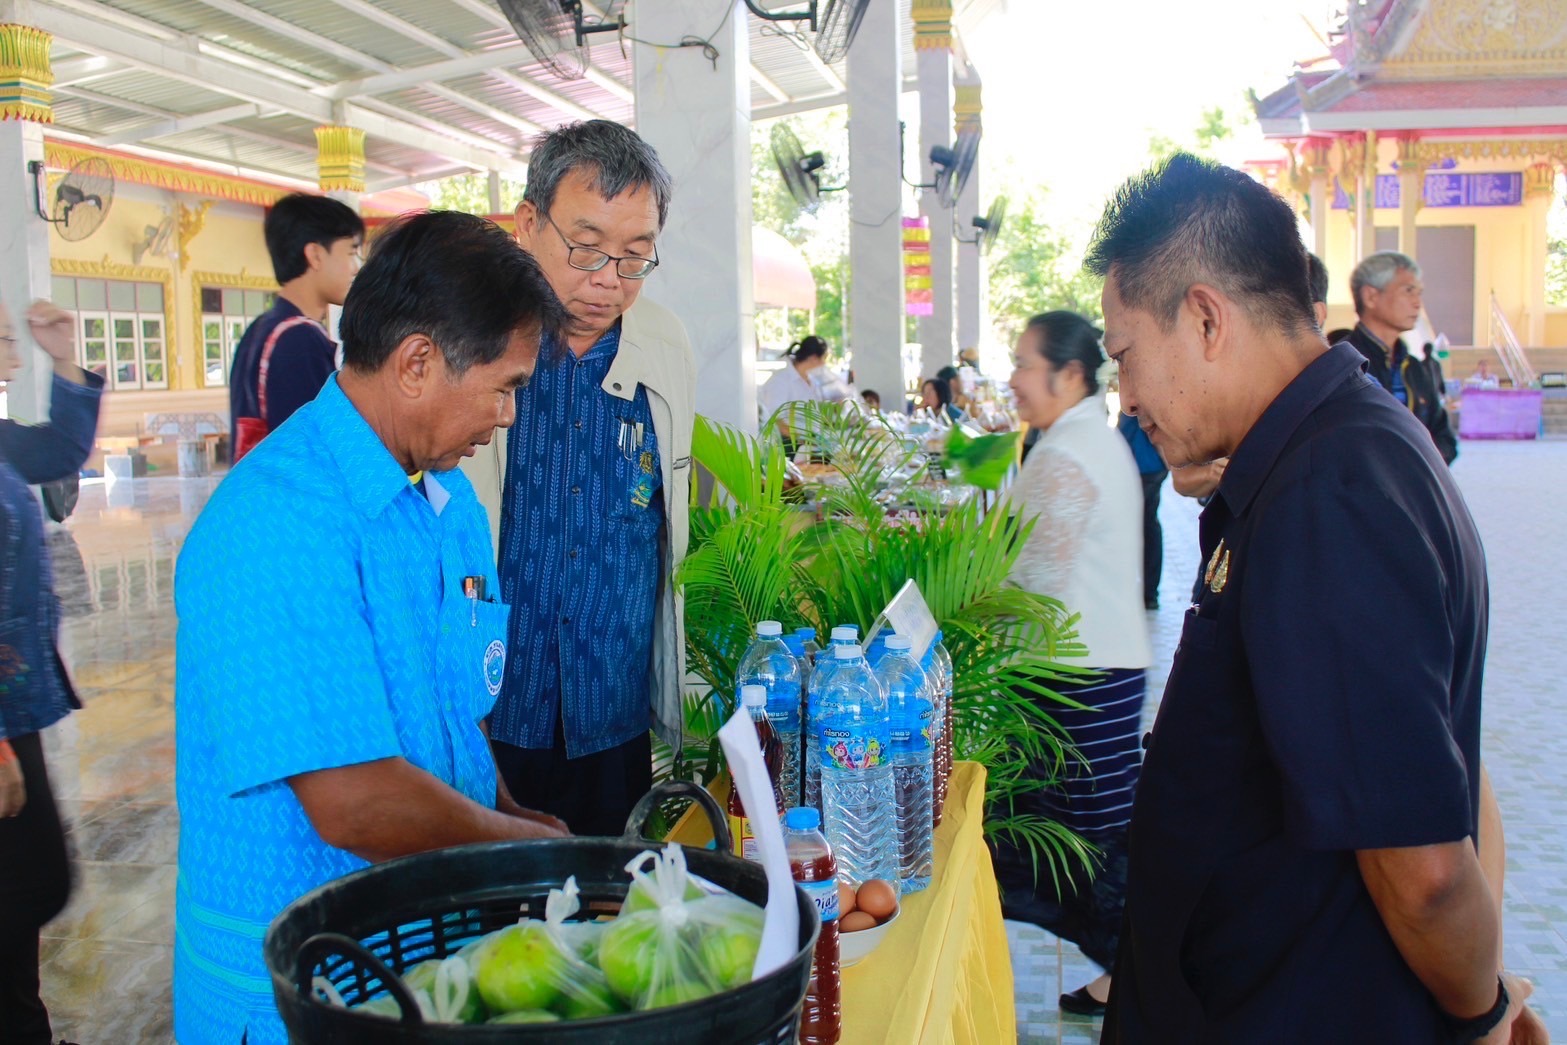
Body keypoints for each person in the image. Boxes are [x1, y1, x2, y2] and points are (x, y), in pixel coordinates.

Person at [1088, 152, 1540, 1042]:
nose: (1127, 397)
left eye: (1126, 358)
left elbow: (1425, 868)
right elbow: (1441, 745)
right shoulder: (1323, 450)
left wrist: (1480, 1012)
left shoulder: (1327, 496)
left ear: (1207, 318)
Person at [174, 212, 571, 1045]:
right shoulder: (277, 523)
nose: (507, 415)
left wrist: (506, 807)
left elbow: (453, 706)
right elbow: (353, 802)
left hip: (423, 957)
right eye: (502, 386)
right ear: (418, 362)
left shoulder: (448, 499)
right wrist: (521, 853)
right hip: (302, 986)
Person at [460, 121, 695, 839]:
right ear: (528, 223)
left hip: (610, 703)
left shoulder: (664, 345)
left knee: (608, 913)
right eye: (585, 247)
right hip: (488, 699)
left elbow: (666, 512)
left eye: (633, 257)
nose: (606, 280)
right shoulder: (468, 338)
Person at [994, 311, 1150, 1017]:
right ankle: (1127, 971)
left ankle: (1140, 973)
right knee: (1090, 836)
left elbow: (1037, 581)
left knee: (1075, 844)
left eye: (1025, 364)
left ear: (1070, 374)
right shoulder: (1085, 437)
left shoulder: (1067, 452)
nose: (1014, 379)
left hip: (1074, 680)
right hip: (1098, 669)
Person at [0, 300, 101, 1045]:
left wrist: (63, 358)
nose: (12, 355)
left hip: (16, 705)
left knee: (29, 885)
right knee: (20, 887)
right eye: (3, 339)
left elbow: (61, 450)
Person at [1173, 252, 1329, 504]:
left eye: (1282, 307)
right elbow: (1182, 479)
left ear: (1316, 315)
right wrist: (1218, 471)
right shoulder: (1225, 387)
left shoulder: (1339, 405)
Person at [228, 193, 363, 462]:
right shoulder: (299, 340)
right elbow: (321, 448)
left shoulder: (262, 329)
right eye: (351, 252)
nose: (357, 267)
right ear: (314, 254)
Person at [1347, 250, 1459, 464]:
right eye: (1408, 291)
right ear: (1370, 296)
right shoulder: (1345, 365)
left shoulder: (1415, 368)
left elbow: (1444, 437)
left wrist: (1423, 466)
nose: (1417, 302)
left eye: (1419, 293)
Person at [1116, 413, 1167, 609]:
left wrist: (1168, 462)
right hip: (1140, 466)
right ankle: (1147, 592)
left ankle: (1147, 592)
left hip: (1145, 467)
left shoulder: (1142, 393)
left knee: (1144, 526)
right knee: (1146, 525)